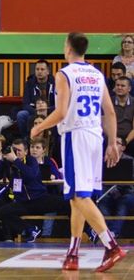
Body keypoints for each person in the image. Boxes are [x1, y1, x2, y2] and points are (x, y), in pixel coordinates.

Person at [31, 32, 125, 272]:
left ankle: (111, 245)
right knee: (77, 198)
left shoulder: (64, 74)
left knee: (80, 196)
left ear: (68, 48)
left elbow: (61, 113)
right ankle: (72, 253)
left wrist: (39, 127)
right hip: (95, 136)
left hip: (76, 136)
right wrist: (112, 143)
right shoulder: (97, 74)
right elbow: (110, 112)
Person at [17, 59, 55, 139]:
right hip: (34, 112)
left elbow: (58, 104)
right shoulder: (29, 83)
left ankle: (54, 140)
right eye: (37, 69)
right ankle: (26, 139)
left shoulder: (55, 83)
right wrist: (37, 111)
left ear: (48, 71)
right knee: (21, 115)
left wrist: (46, 110)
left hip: (50, 112)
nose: (39, 72)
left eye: (42, 69)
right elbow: (25, 104)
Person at [112, 76, 134, 156]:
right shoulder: (109, 102)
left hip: (129, 139)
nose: (119, 88)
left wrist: (124, 142)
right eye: (117, 85)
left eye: (123, 86)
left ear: (129, 89)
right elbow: (105, 124)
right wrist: (114, 140)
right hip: (112, 138)